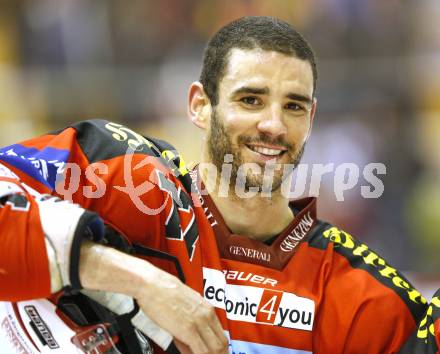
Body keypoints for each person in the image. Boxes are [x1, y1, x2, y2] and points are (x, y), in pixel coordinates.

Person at [0, 15, 437, 353]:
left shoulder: (361, 297)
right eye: (251, 100)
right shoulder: (120, 173)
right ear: (199, 105)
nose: (273, 125)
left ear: (311, 120)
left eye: (294, 106)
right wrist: (141, 281)